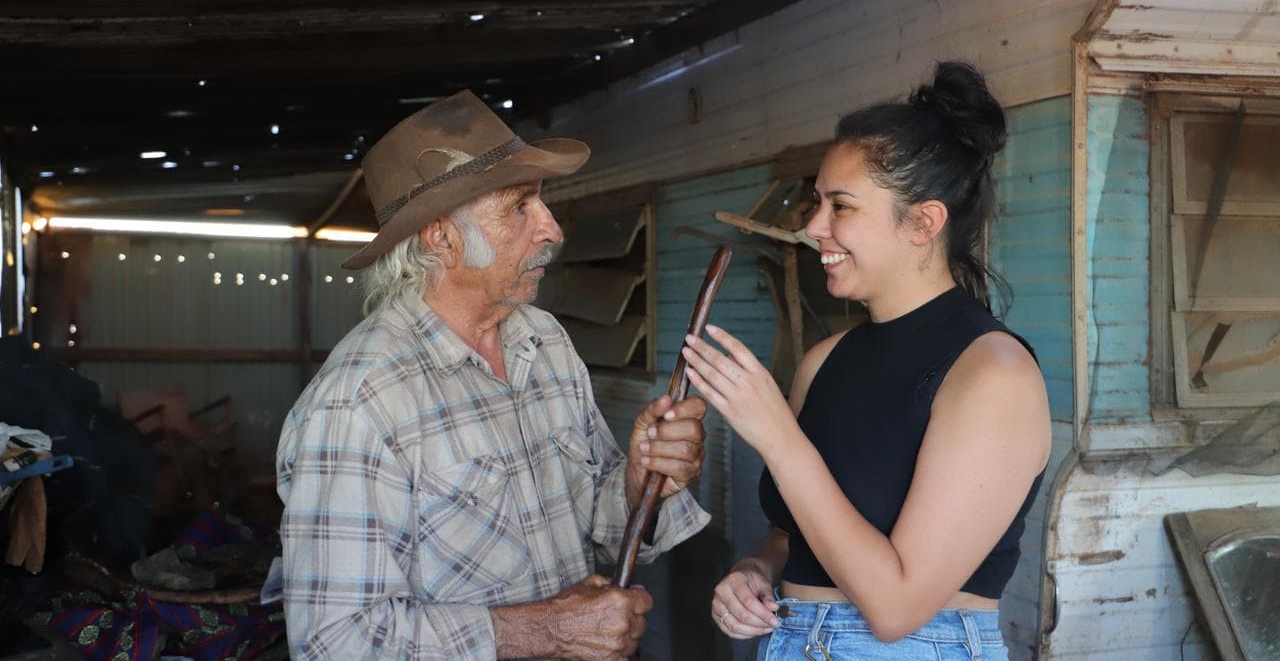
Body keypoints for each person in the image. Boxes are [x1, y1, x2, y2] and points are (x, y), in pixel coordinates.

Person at [276, 90, 711, 661]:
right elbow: (334, 641)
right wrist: (548, 630)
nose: (552, 230)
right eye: (520, 208)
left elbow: (598, 525)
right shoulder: (359, 403)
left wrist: (639, 480)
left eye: (542, 204)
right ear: (442, 237)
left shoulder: (545, 341)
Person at [681, 62, 1051, 660]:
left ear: (924, 222)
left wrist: (778, 436)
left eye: (840, 206)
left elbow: (895, 609)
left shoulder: (992, 373)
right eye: (816, 203)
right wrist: (757, 568)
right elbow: (798, 531)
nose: (812, 227)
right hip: (792, 638)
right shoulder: (823, 361)